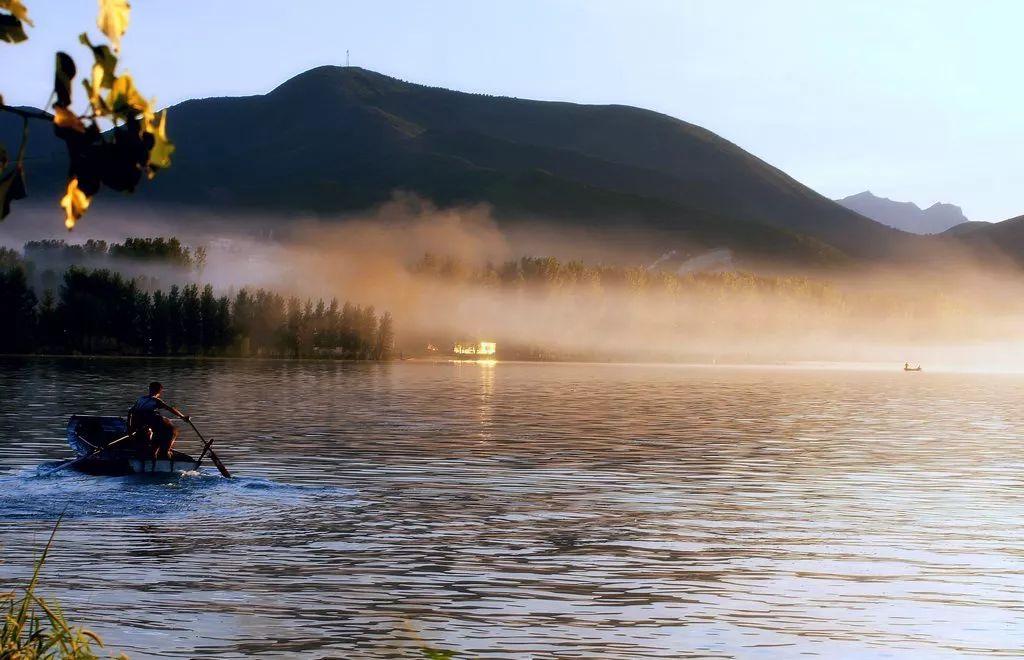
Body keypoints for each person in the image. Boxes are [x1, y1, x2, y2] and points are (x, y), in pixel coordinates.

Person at [128, 381, 190, 459]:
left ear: (149, 389)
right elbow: (170, 409)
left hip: (151, 427)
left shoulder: (141, 399)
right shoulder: (156, 401)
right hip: (157, 427)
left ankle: (155, 456)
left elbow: (130, 412)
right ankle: (165, 455)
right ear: (159, 391)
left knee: (153, 449)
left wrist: (129, 428)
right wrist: (183, 417)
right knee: (160, 449)